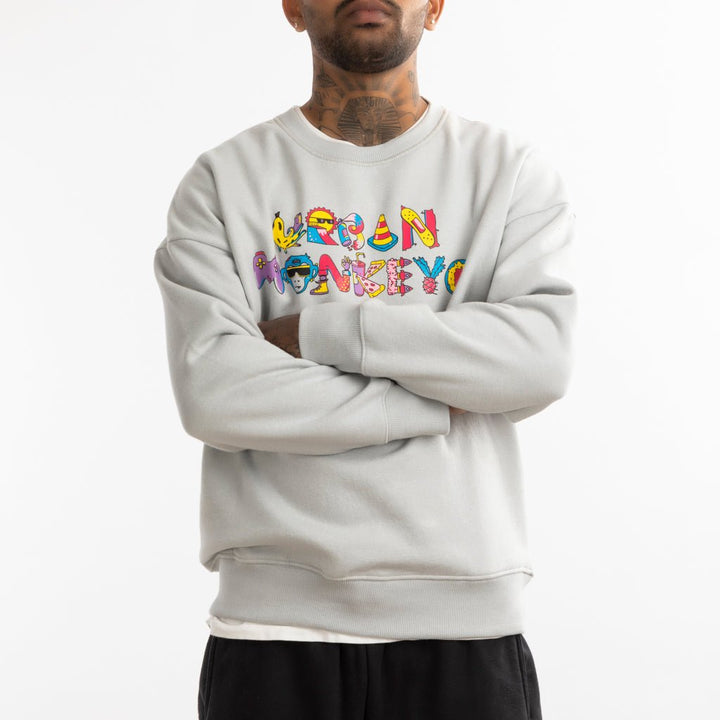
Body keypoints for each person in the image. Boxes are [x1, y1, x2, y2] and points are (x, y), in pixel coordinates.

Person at [153, 1, 576, 717]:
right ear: (293, 8)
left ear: (435, 7)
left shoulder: (509, 173)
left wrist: (319, 332)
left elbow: (536, 363)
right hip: (272, 630)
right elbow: (215, 392)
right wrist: (441, 392)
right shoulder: (222, 181)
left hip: (468, 626)